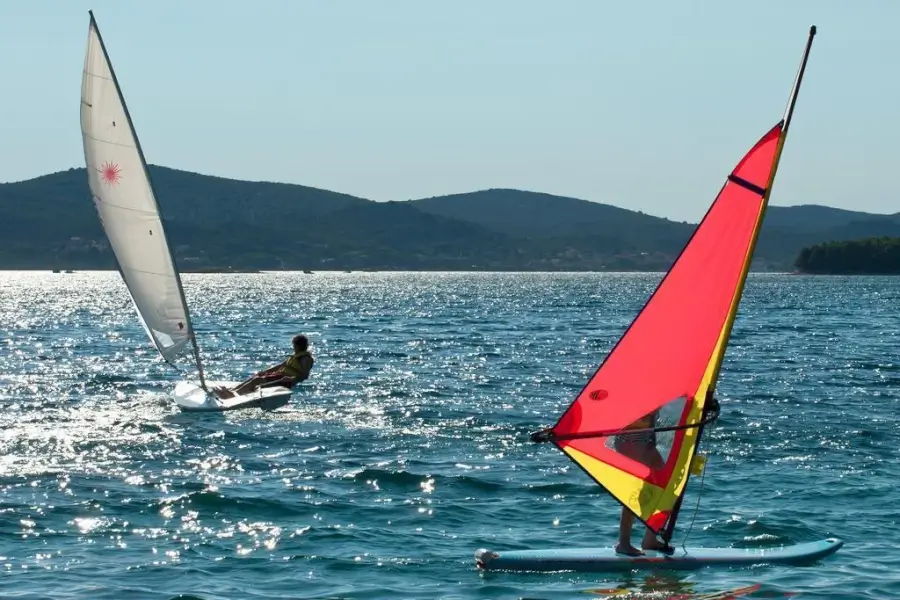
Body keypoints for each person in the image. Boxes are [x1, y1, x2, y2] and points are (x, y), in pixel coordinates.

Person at [613, 409, 673, 556]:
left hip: (647, 443)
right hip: (630, 442)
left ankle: (650, 539)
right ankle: (624, 543)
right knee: (633, 492)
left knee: (667, 487)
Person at [213, 334, 314, 399]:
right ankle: (233, 391)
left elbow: (304, 376)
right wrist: (265, 371)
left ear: (299, 346)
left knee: (256, 381)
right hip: (280, 375)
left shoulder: (306, 359)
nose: (293, 347)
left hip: (285, 380)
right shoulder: (295, 355)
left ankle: (233, 396)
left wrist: (290, 379)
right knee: (256, 376)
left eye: (294, 346)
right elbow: (281, 365)